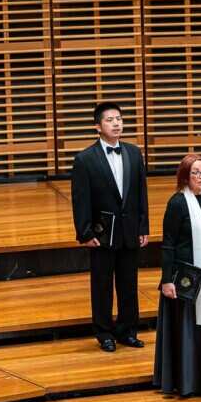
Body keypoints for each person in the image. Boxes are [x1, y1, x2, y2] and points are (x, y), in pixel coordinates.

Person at [70, 101, 149, 353]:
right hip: (102, 233)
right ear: (97, 126)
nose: (116, 123)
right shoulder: (84, 159)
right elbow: (80, 199)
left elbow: (140, 194)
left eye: (119, 119)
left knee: (129, 283)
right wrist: (85, 232)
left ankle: (127, 330)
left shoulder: (134, 153)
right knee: (102, 285)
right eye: (109, 120)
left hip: (129, 231)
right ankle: (104, 332)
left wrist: (142, 226)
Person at [153, 154, 201, 397]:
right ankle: (186, 382)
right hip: (184, 278)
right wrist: (166, 280)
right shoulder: (177, 203)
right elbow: (168, 244)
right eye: (195, 172)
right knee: (187, 330)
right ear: (185, 176)